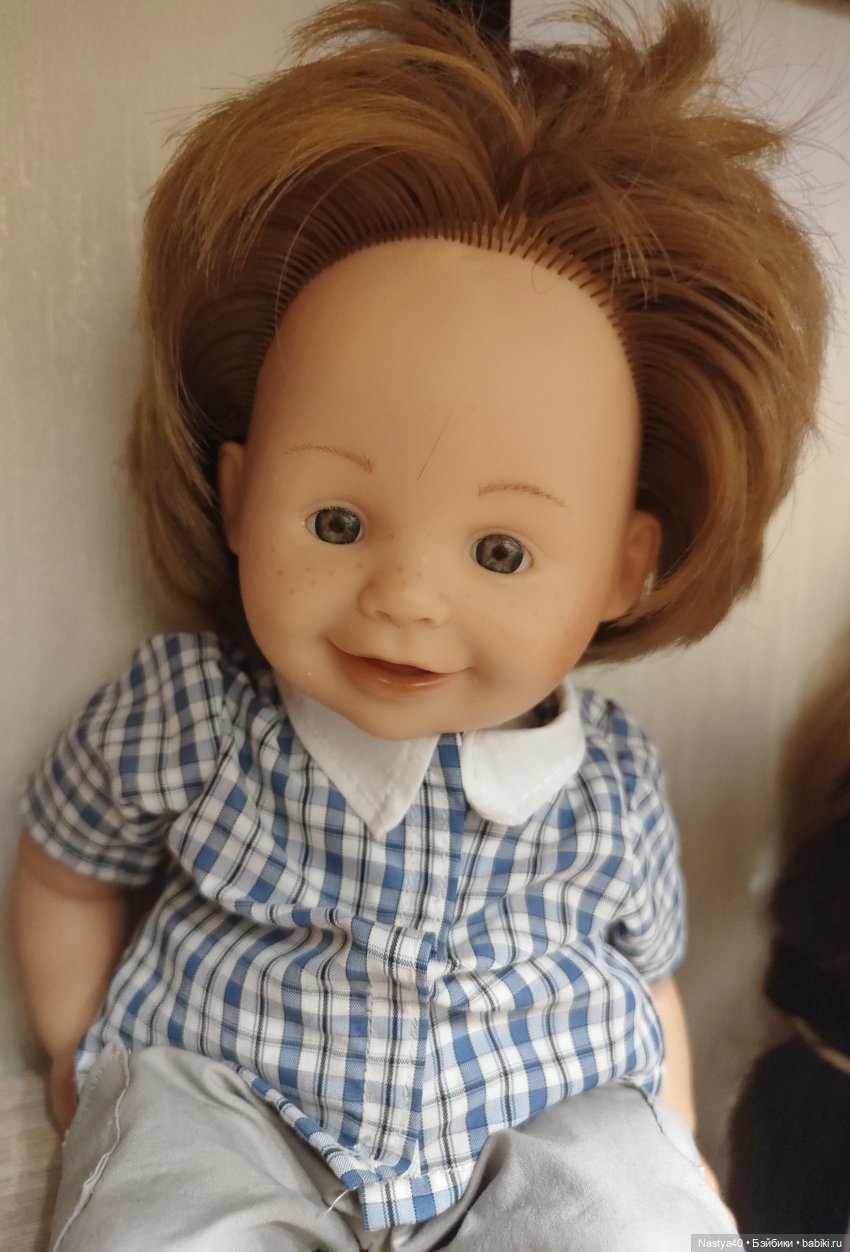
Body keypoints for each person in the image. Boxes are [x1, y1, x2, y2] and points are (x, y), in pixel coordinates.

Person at [11, 1, 827, 1247]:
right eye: (337, 522)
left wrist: (674, 1151)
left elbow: (647, 980)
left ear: (624, 565)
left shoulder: (611, 779)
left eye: (500, 551)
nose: (403, 596)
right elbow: (66, 864)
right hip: (234, 1093)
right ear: (239, 497)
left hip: (538, 1112)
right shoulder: (191, 713)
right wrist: (78, 1047)